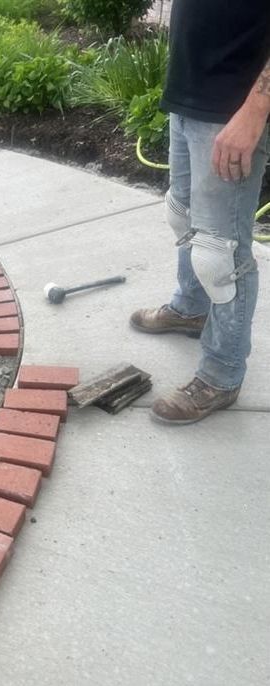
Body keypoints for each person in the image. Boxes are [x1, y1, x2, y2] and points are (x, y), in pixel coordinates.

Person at [131, 1, 270, 425]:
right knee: (183, 215)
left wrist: (256, 109)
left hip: (235, 104)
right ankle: (191, 307)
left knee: (219, 254)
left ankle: (222, 373)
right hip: (191, 91)